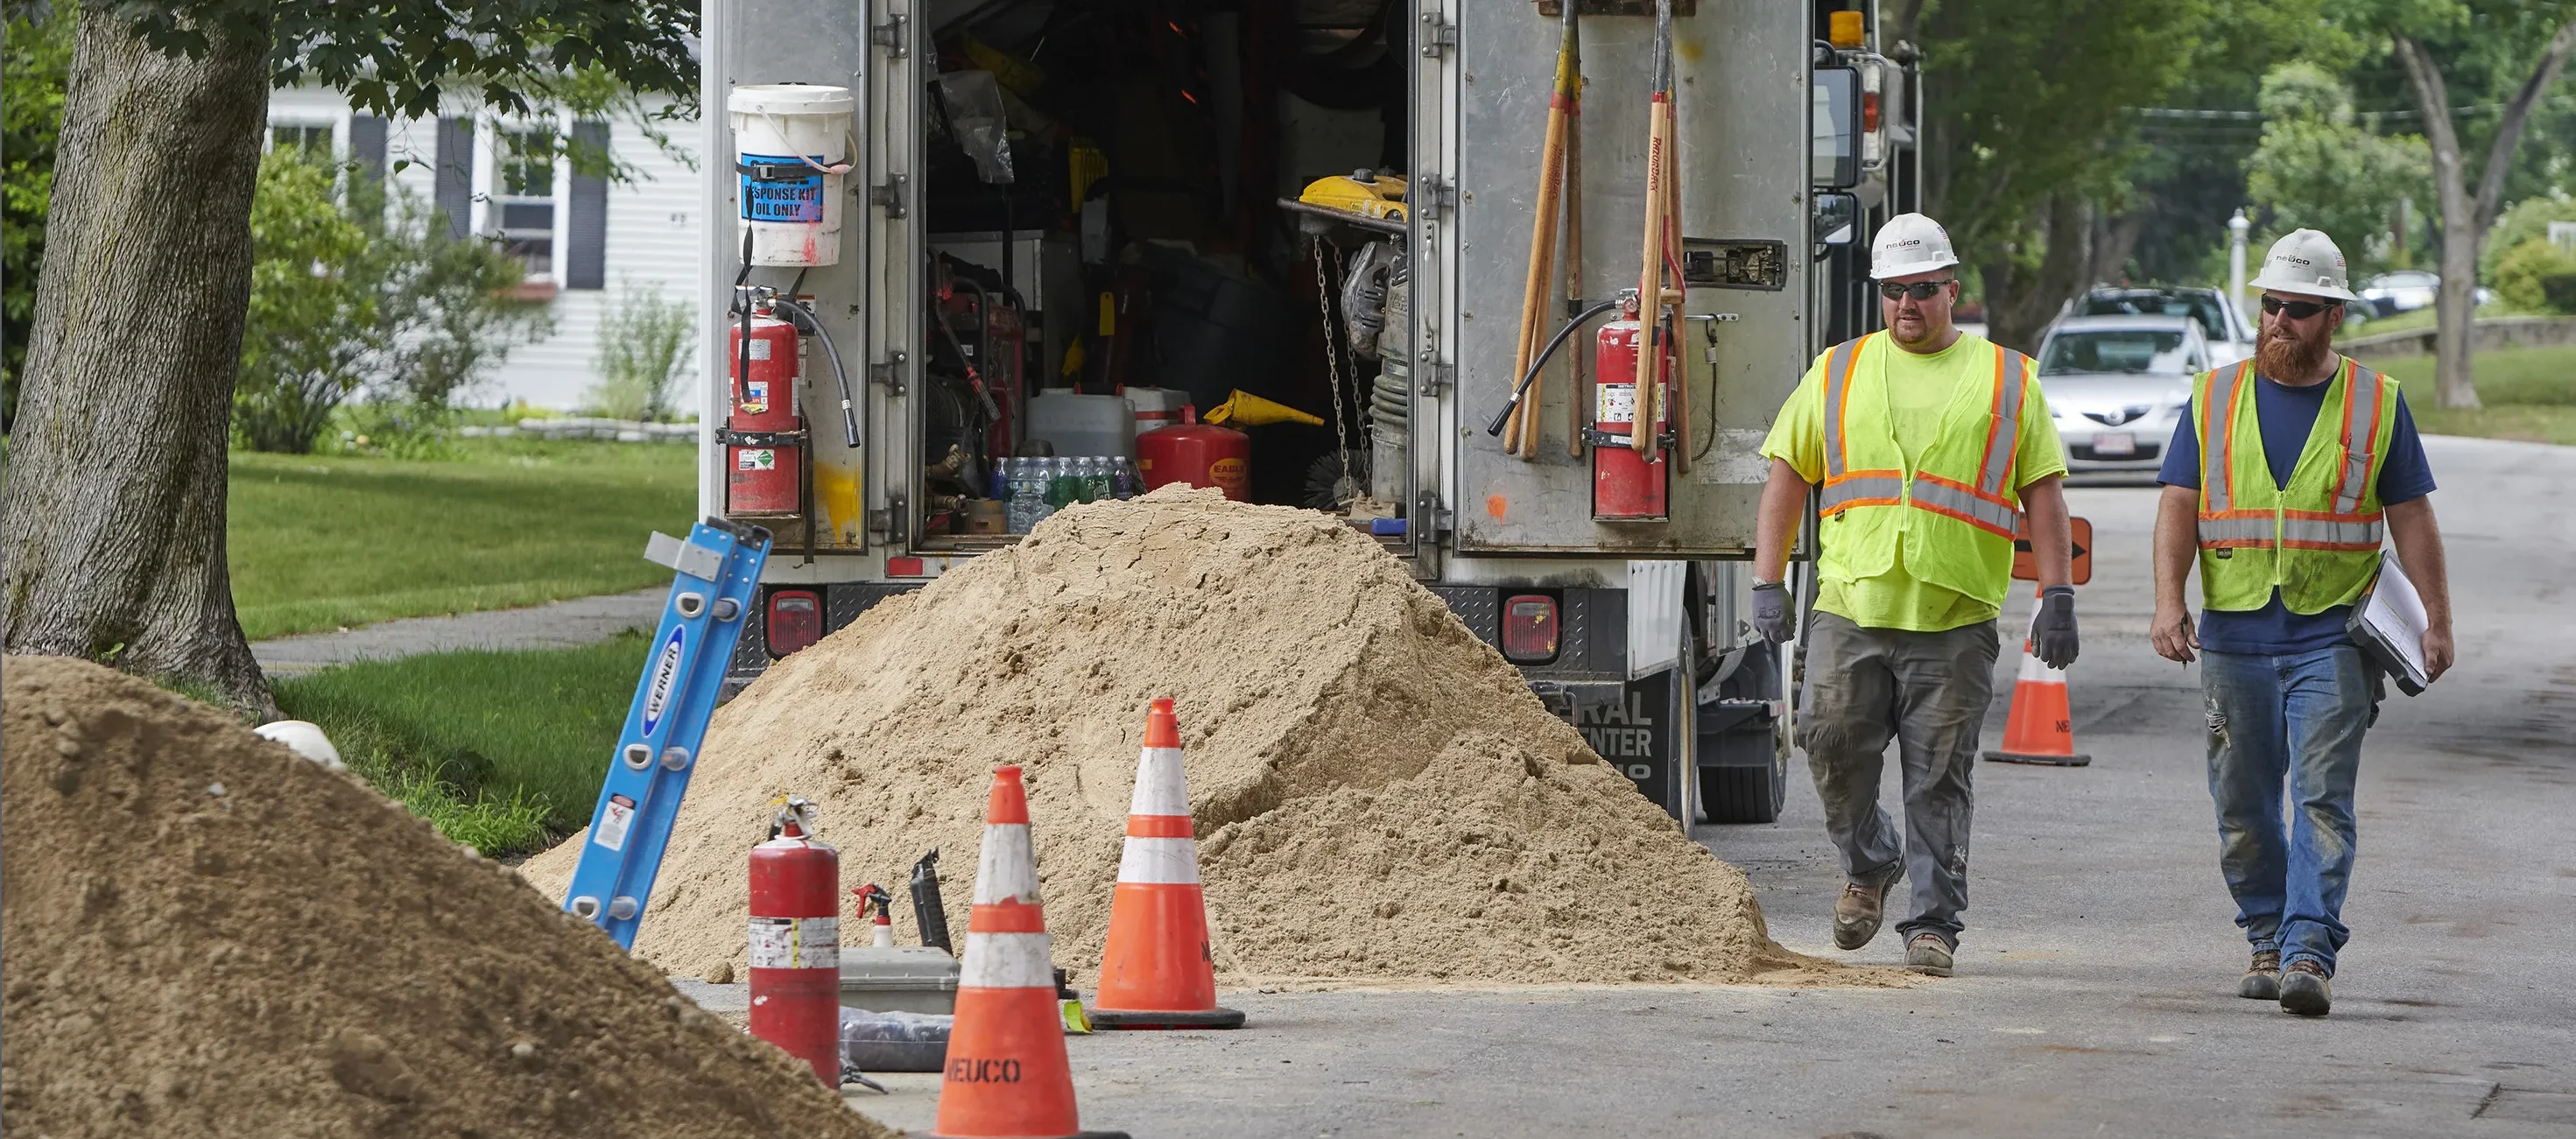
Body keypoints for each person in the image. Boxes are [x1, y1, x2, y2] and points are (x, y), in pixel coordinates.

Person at [1750, 213, 2074, 977]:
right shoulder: (1836, 370)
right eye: (1894, 292)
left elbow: (2045, 493)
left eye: (1923, 290)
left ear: (1952, 291)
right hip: (1851, 606)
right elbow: (1786, 475)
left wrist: (2056, 593)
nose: (1907, 305)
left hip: (1955, 618)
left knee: (1939, 779)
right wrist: (1768, 581)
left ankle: (1933, 925)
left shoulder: (2007, 378)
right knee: (1828, 745)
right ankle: (1870, 863)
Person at [2150, 229, 2453, 1017]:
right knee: (2243, 805)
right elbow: (2178, 504)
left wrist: (2437, 622)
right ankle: (2265, 931)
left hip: (2332, 637)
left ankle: (2310, 948)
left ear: (2334, 316)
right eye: (2272, 306)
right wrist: (2167, 600)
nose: (2281, 321)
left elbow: (2411, 516)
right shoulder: (2212, 396)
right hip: (2235, 637)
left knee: (2321, 797)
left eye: (2301, 309)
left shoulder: (2376, 402)